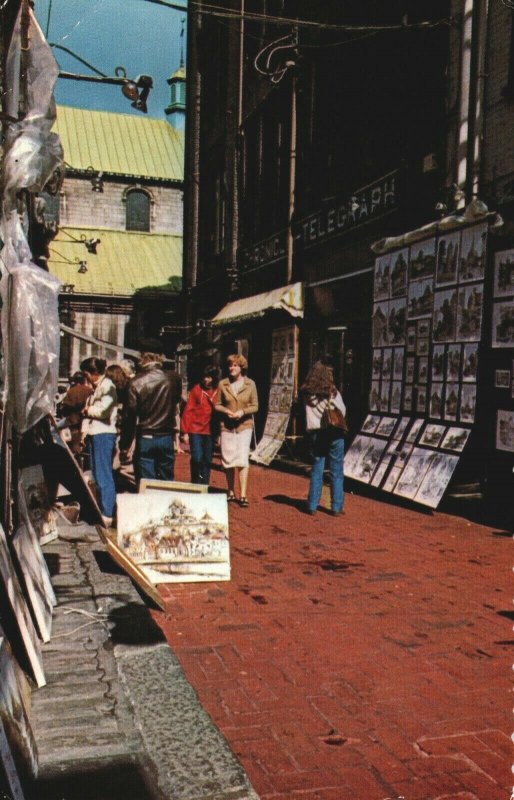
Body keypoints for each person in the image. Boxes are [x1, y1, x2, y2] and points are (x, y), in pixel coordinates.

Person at [119, 350, 182, 483]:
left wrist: (125, 445)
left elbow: (129, 417)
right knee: (166, 480)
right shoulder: (174, 378)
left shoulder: (135, 382)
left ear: (142, 358)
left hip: (146, 435)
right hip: (166, 435)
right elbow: (176, 402)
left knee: (146, 483)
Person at [301, 358, 347, 516]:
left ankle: (312, 505)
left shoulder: (307, 393)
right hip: (334, 432)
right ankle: (336, 506)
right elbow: (342, 411)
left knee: (317, 467)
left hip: (317, 433)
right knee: (336, 469)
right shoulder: (332, 391)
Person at [215, 354, 258, 507]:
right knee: (228, 459)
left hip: (244, 425)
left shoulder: (250, 384)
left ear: (241, 367)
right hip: (227, 425)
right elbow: (217, 404)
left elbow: (255, 406)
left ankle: (243, 494)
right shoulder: (223, 384)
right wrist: (226, 411)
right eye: (230, 365)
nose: (231, 368)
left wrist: (242, 412)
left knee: (242, 458)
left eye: (235, 365)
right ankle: (230, 490)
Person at [80, 357, 118, 526]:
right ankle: (102, 509)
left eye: (87, 373)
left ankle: (107, 512)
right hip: (96, 433)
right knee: (97, 474)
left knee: (103, 475)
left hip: (104, 433)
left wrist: (88, 410)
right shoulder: (97, 387)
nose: (86, 376)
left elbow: (103, 411)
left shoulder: (108, 386)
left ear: (95, 373)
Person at [181, 365, 220, 485]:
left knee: (207, 460)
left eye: (208, 377)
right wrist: (185, 431)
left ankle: (204, 485)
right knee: (197, 458)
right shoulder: (196, 390)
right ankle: (195, 481)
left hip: (210, 430)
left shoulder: (218, 390)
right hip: (195, 430)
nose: (206, 380)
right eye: (204, 377)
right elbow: (188, 411)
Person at [58, 371, 93, 458]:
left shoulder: (71, 391)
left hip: (73, 421)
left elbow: (65, 408)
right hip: (87, 420)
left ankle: (65, 450)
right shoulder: (90, 390)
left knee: (54, 430)